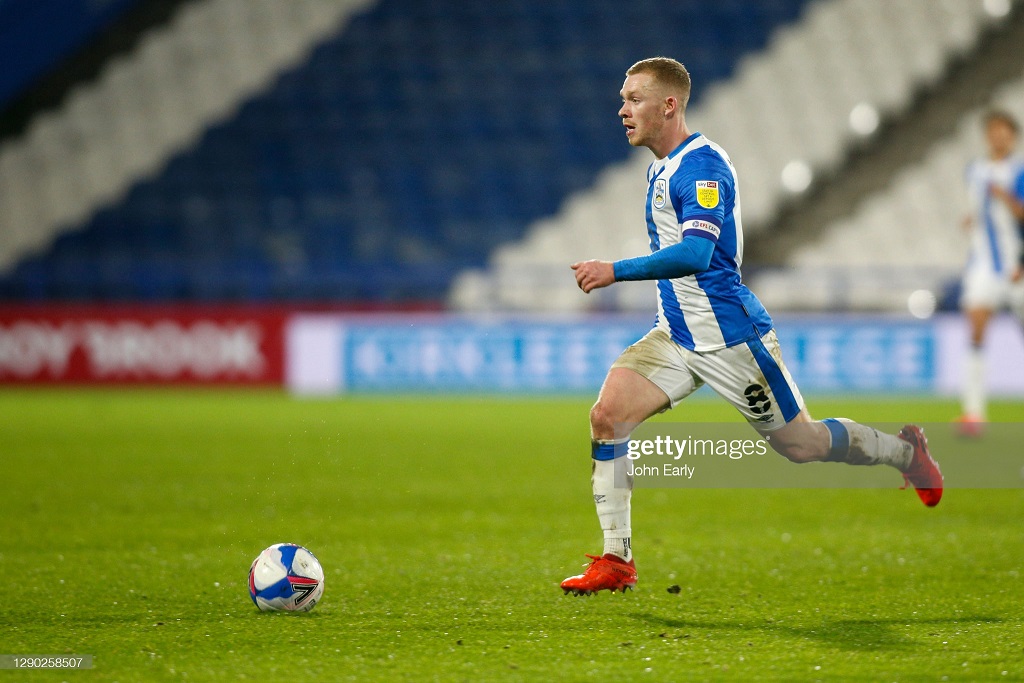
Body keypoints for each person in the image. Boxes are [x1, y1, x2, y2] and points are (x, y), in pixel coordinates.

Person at [560, 57, 943, 596]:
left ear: (668, 105)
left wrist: (613, 270)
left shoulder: (702, 167)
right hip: (674, 334)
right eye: (623, 99)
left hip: (730, 340)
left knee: (803, 445)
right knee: (607, 416)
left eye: (633, 99)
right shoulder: (662, 167)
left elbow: (696, 252)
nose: (622, 110)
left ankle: (905, 452)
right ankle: (616, 561)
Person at [956, 110, 1024, 437]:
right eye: (994, 130)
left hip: (1016, 266)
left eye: (1005, 131)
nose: (999, 136)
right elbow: (976, 212)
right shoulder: (975, 171)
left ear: (1013, 136)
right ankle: (973, 413)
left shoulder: (1019, 171)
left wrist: (1006, 198)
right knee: (976, 328)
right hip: (983, 265)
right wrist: (971, 220)